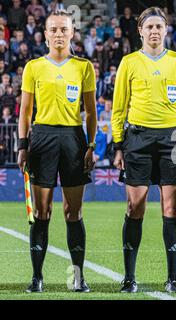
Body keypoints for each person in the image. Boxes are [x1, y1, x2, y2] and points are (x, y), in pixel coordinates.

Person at [111, 7, 176, 294]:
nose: (155, 31)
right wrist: (118, 144)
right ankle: (129, 278)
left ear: (166, 29)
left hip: (173, 139)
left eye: (159, 26)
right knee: (135, 208)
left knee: (171, 208)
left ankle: (173, 277)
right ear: (140, 31)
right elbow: (119, 107)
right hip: (138, 139)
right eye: (149, 27)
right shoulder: (129, 62)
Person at [17, 10, 97, 293]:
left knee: (73, 212)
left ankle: (78, 277)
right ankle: (37, 277)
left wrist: (90, 145)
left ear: (72, 32)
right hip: (42, 139)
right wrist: (23, 146)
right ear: (46, 34)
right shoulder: (34, 67)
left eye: (64, 29)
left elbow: (90, 112)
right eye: (54, 29)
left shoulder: (84, 67)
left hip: (74, 140)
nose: (59, 34)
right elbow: (25, 112)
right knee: (42, 212)